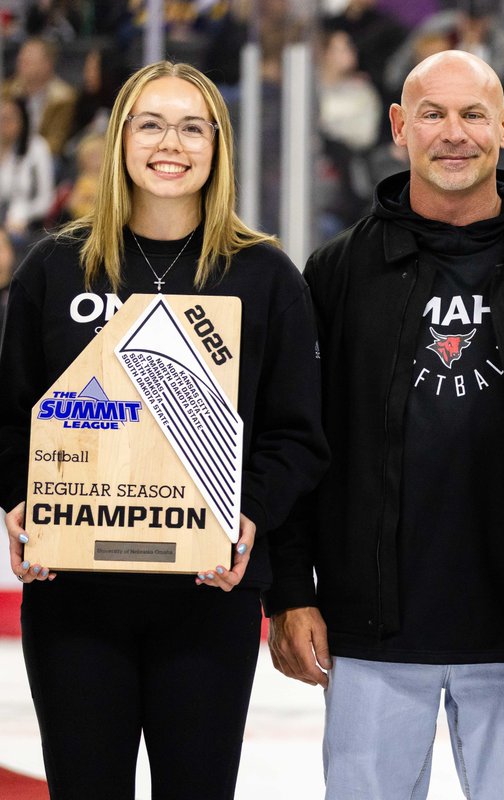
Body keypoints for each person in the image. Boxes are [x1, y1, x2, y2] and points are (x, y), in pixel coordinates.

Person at [264, 50, 504, 800]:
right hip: (368, 634)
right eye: (433, 114)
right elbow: (295, 439)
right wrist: (287, 590)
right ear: (397, 126)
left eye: (473, 114)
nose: (454, 133)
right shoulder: (335, 272)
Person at [0, 60, 328, 799]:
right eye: (150, 123)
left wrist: (251, 517)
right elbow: (9, 415)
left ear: (218, 146)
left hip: (208, 595)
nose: (169, 143)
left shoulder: (266, 276)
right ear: (119, 140)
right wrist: (19, 499)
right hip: (76, 594)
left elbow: (297, 435)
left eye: (191, 126)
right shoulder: (55, 269)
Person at [1, 36, 78, 156]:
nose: (22, 61)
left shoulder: (64, 98)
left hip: (43, 155)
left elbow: (57, 141)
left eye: (29, 58)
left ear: (47, 64)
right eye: (22, 57)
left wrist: (29, 151)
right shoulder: (6, 92)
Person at [0, 96, 56, 241]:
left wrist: (24, 214)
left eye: (8, 118)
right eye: (1, 118)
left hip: (29, 223)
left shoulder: (38, 148)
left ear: (22, 120)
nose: (3, 124)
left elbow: (46, 199)